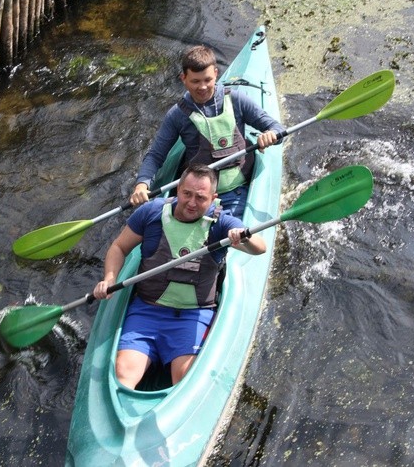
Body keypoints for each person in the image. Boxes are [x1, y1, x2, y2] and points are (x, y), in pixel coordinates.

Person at [94, 164, 266, 390]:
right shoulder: (152, 212)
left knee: (185, 379)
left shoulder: (222, 222)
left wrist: (243, 239)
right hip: (147, 310)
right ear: (178, 189)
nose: (192, 203)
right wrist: (109, 277)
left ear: (213, 198)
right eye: (187, 194)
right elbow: (118, 247)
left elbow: (260, 248)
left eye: (201, 197)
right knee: (123, 375)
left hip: (192, 316)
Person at [130, 45, 285, 218]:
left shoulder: (236, 100)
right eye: (195, 81)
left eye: (207, 80)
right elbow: (155, 155)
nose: (202, 87)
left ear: (216, 74)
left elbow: (277, 129)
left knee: (228, 236)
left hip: (235, 191)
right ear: (184, 79)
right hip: (196, 197)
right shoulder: (177, 114)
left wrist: (270, 135)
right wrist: (142, 184)